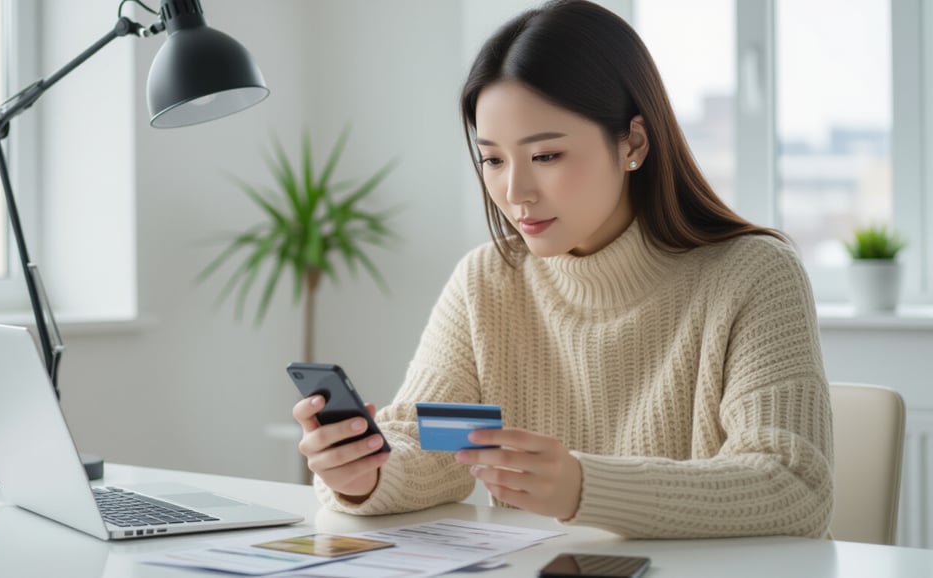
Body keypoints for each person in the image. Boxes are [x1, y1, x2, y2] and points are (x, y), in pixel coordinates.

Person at [293, 0, 832, 539]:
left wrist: (583, 487)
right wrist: (362, 472)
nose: (515, 192)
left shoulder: (754, 274)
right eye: (494, 159)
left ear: (633, 143)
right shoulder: (487, 281)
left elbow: (793, 486)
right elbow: (429, 448)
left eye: (546, 155)